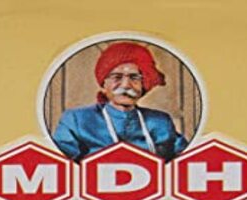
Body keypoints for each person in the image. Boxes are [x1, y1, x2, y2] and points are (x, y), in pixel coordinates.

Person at [52, 42, 188, 162]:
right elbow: (61, 164)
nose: (126, 85)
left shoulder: (161, 122)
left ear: (143, 85)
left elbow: (185, 160)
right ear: (103, 85)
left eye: (134, 77)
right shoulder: (77, 120)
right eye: (117, 77)